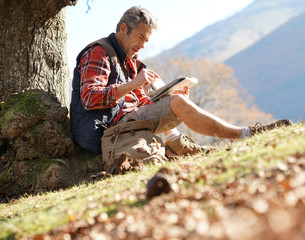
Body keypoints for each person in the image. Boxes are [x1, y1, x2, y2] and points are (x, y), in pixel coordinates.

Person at [70, 6, 292, 157]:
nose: (143, 46)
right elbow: (90, 98)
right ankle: (245, 135)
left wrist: (166, 96)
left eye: (147, 40)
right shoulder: (99, 53)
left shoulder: (129, 59)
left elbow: (140, 104)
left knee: (176, 100)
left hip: (126, 120)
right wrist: (135, 84)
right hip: (105, 130)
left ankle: (183, 147)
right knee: (177, 103)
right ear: (123, 29)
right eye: (140, 38)